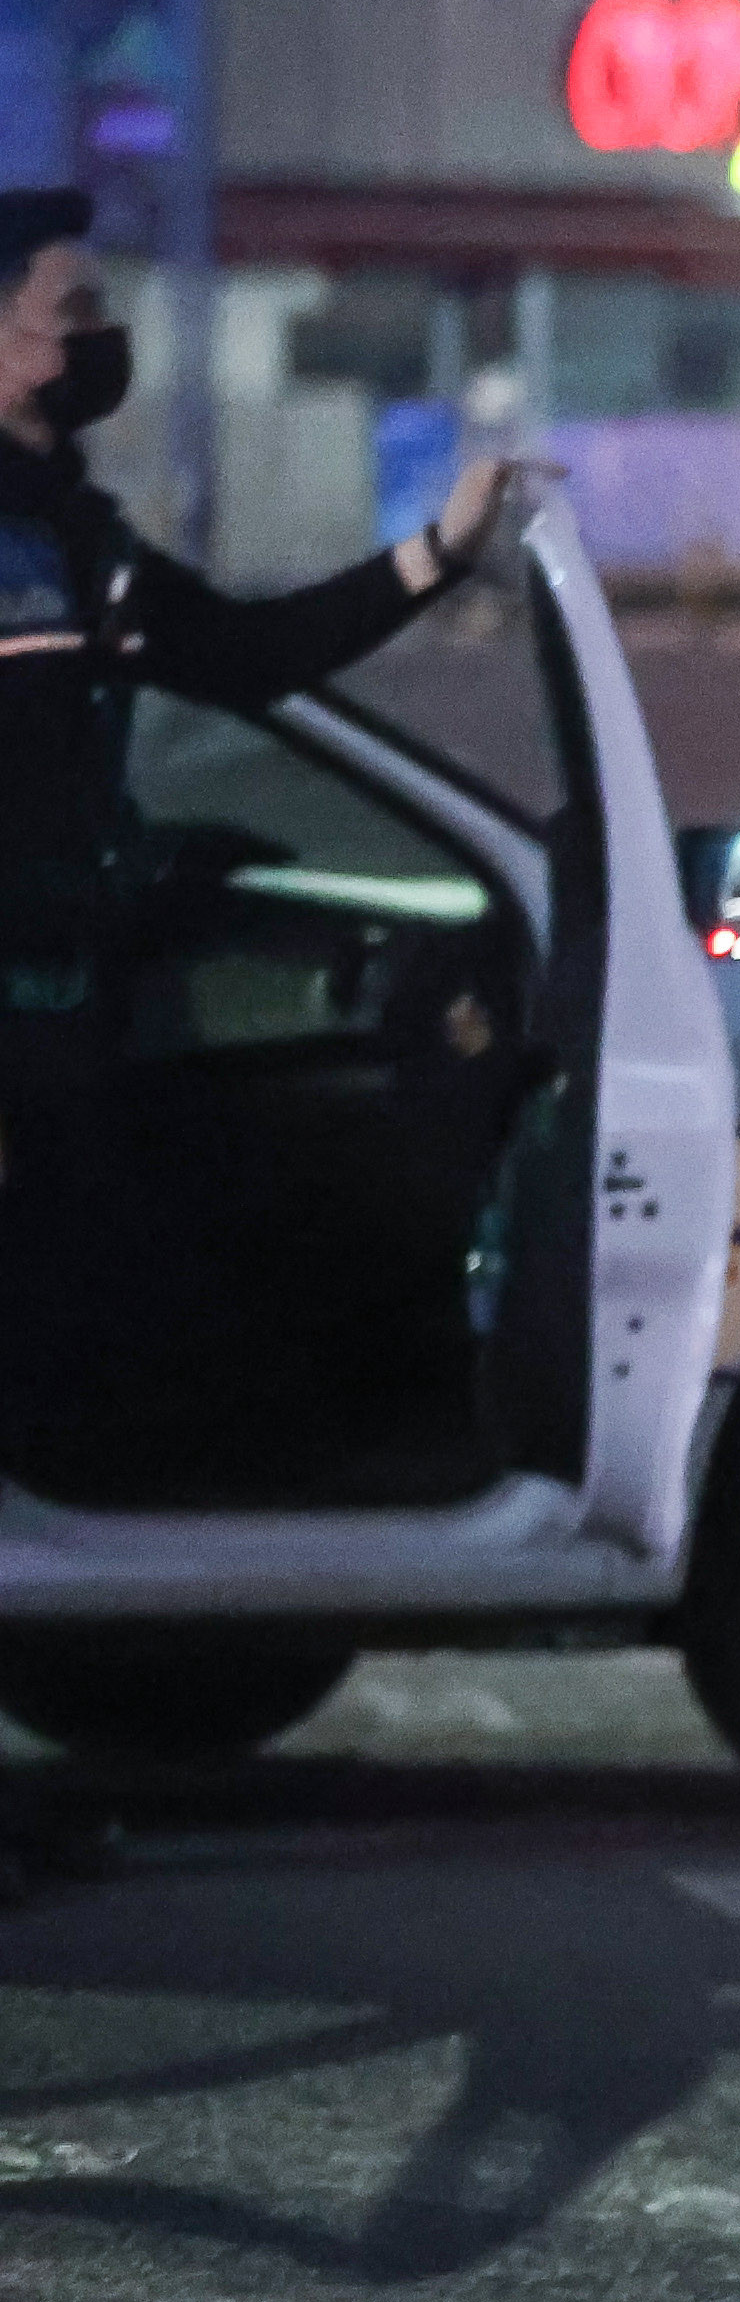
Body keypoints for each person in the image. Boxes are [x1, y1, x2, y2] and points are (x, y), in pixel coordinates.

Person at [0, 183, 501, 1730]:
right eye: (69, 312)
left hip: (65, 1008)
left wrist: (433, 557)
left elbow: (244, 658)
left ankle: (129, 1654)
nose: (99, 338)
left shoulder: (75, 535)